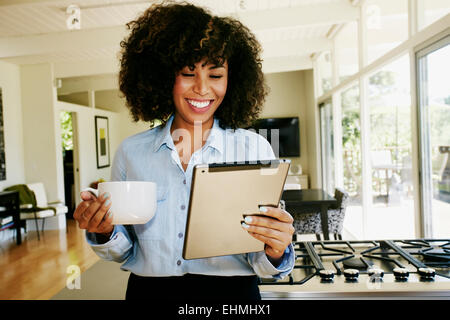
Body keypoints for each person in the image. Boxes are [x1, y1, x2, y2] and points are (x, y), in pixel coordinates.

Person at [74, 1, 295, 301]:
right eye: (188, 73)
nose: (203, 89)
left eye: (215, 75)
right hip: (150, 294)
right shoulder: (131, 152)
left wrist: (277, 249)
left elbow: (261, 262)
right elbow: (125, 252)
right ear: (165, 77)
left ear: (232, 80)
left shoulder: (255, 148)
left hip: (231, 298)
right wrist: (103, 231)